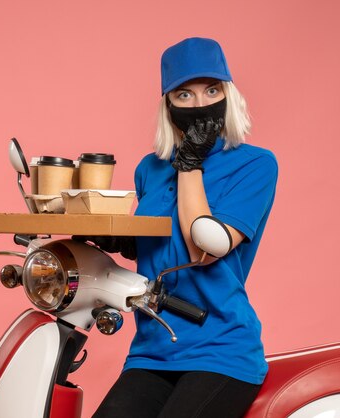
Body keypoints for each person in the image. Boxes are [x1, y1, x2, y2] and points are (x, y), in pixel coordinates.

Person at [90, 37, 279, 418]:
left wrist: (190, 164)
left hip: (220, 348)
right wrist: (122, 238)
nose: (200, 103)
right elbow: (161, 238)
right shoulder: (149, 168)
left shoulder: (255, 164)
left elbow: (202, 248)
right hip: (153, 348)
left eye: (211, 90)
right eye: (184, 94)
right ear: (168, 105)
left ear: (228, 94)